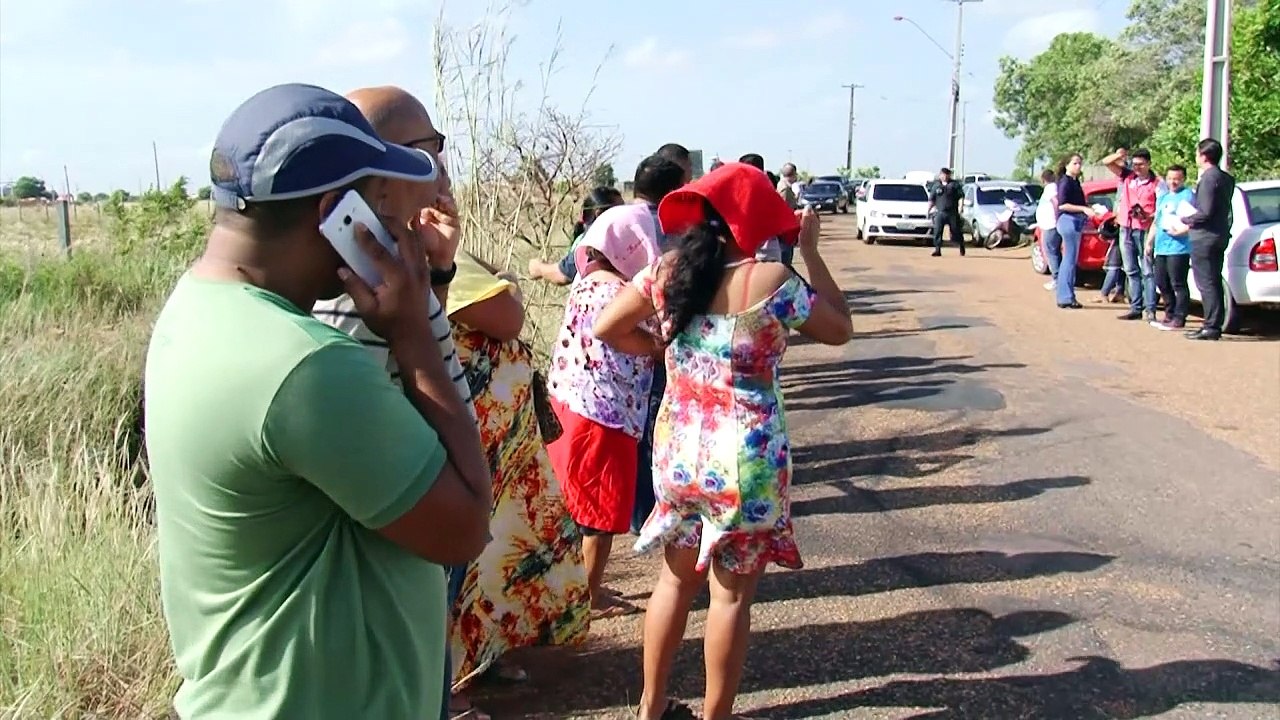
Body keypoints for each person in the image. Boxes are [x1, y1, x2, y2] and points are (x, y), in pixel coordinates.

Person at [143, 83, 491, 720]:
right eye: (377, 208)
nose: (392, 225)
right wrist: (413, 328)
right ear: (337, 212)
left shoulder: (198, 308)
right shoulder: (306, 366)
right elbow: (465, 524)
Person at [593, 162, 853, 720]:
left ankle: (649, 708)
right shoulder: (772, 283)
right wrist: (810, 252)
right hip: (746, 460)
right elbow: (840, 327)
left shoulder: (667, 271)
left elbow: (607, 326)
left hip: (678, 452)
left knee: (674, 581)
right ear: (755, 220)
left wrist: (659, 346)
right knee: (730, 597)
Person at [308, 85, 491, 720]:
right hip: (408, 526)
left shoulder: (390, 262)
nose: (442, 167)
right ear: (386, 171)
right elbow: (380, 418)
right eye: (431, 149)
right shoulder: (351, 280)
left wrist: (436, 274)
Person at [444, 250, 592, 696]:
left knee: (494, 551)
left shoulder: (443, 253)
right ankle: (448, 680)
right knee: (468, 552)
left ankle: (480, 656)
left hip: (496, 443)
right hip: (477, 440)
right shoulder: (428, 256)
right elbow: (507, 316)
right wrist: (508, 283)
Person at [546, 203, 662, 619]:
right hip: (604, 416)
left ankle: (571, 588)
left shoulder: (586, 280)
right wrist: (656, 346)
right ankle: (587, 598)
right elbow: (635, 339)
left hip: (567, 406)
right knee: (598, 516)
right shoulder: (624, 295)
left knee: (573, 509)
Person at [1171, 137, 1236, 340]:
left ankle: (1211, 326)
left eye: (1198, 153)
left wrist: (1186, 218)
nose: (1196, 157)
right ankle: (1213, 323)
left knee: (1206, 282)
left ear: (1204, 155)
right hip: (1218, 234)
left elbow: (1205, 211)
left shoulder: (1209, 178)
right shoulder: (1226, 178)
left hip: (1205, 236)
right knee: (1213, 280)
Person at [1102, 148, 1163, 322]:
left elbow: (1162, 209)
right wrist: (1119, 156)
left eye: (1141, 164)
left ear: (1149, 164)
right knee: (1130, 269)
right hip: (1126, 228)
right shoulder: (1128, 177)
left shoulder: (1157, 183)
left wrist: (1148, 215)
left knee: (1147, 270)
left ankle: (1150, 308)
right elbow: (1107, 162)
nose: (1137, 168)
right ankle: (1135, 307)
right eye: (1134, 164)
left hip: (1144, 229)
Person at [527, 186, 625, 286]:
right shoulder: (589, 242)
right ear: (599, 214)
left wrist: (539, 268)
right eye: (620, 211)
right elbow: (562, 274)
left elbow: (562, 275)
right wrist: (539, 268)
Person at [1149, 164, 1195, 331]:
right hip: (1161, 247)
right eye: (1170, 178)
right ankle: (1169, 313)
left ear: (1183, 179)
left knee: (1178, 283)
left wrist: (1182, 231)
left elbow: (1194, 220)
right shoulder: (1163, 197)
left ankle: (1180, 316)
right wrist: (1149, 242)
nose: (1173, 182)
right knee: (1161, 281)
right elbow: (1156, 222)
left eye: (1177, 179)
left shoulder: (1188, 196)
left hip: (1179, 247)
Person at [1053, 153, 1099, 309]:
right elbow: (1062, 205)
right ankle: (1065, 297)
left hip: (1075, 221)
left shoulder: (1074, 181)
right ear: (1066, 165)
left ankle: (1067, 295)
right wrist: (1084, 209)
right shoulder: (1065, 182)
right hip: (1068, 220)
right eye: (1075, 163)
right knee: (1069, 260)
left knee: (1071, 260)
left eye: (1080, 163)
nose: (1078, 166)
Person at [928, 167, 965, 257]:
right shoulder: (936, 186)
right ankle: (937, 249)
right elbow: (932, 199)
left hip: (952, 213)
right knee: (937, 231)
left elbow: (961, 197)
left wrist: (961, 207)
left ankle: (961, 245)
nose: (944, 176)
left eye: (946, 175)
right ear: (940, 175)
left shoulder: (955, 185)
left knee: (956, 231)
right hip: (940, 212)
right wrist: (928, 210)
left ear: (949, 175)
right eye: (942, 175)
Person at [1035, 168, 1060, 290]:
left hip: (1051, 225)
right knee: (1053, 252)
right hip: (1048, 225)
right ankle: (1058, 278)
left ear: (1043, 179)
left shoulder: (1051, 188)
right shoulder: (1052, 188)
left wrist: (1056, 216)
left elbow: (1055, 202)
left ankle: (1057, 279)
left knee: (1051, 252)